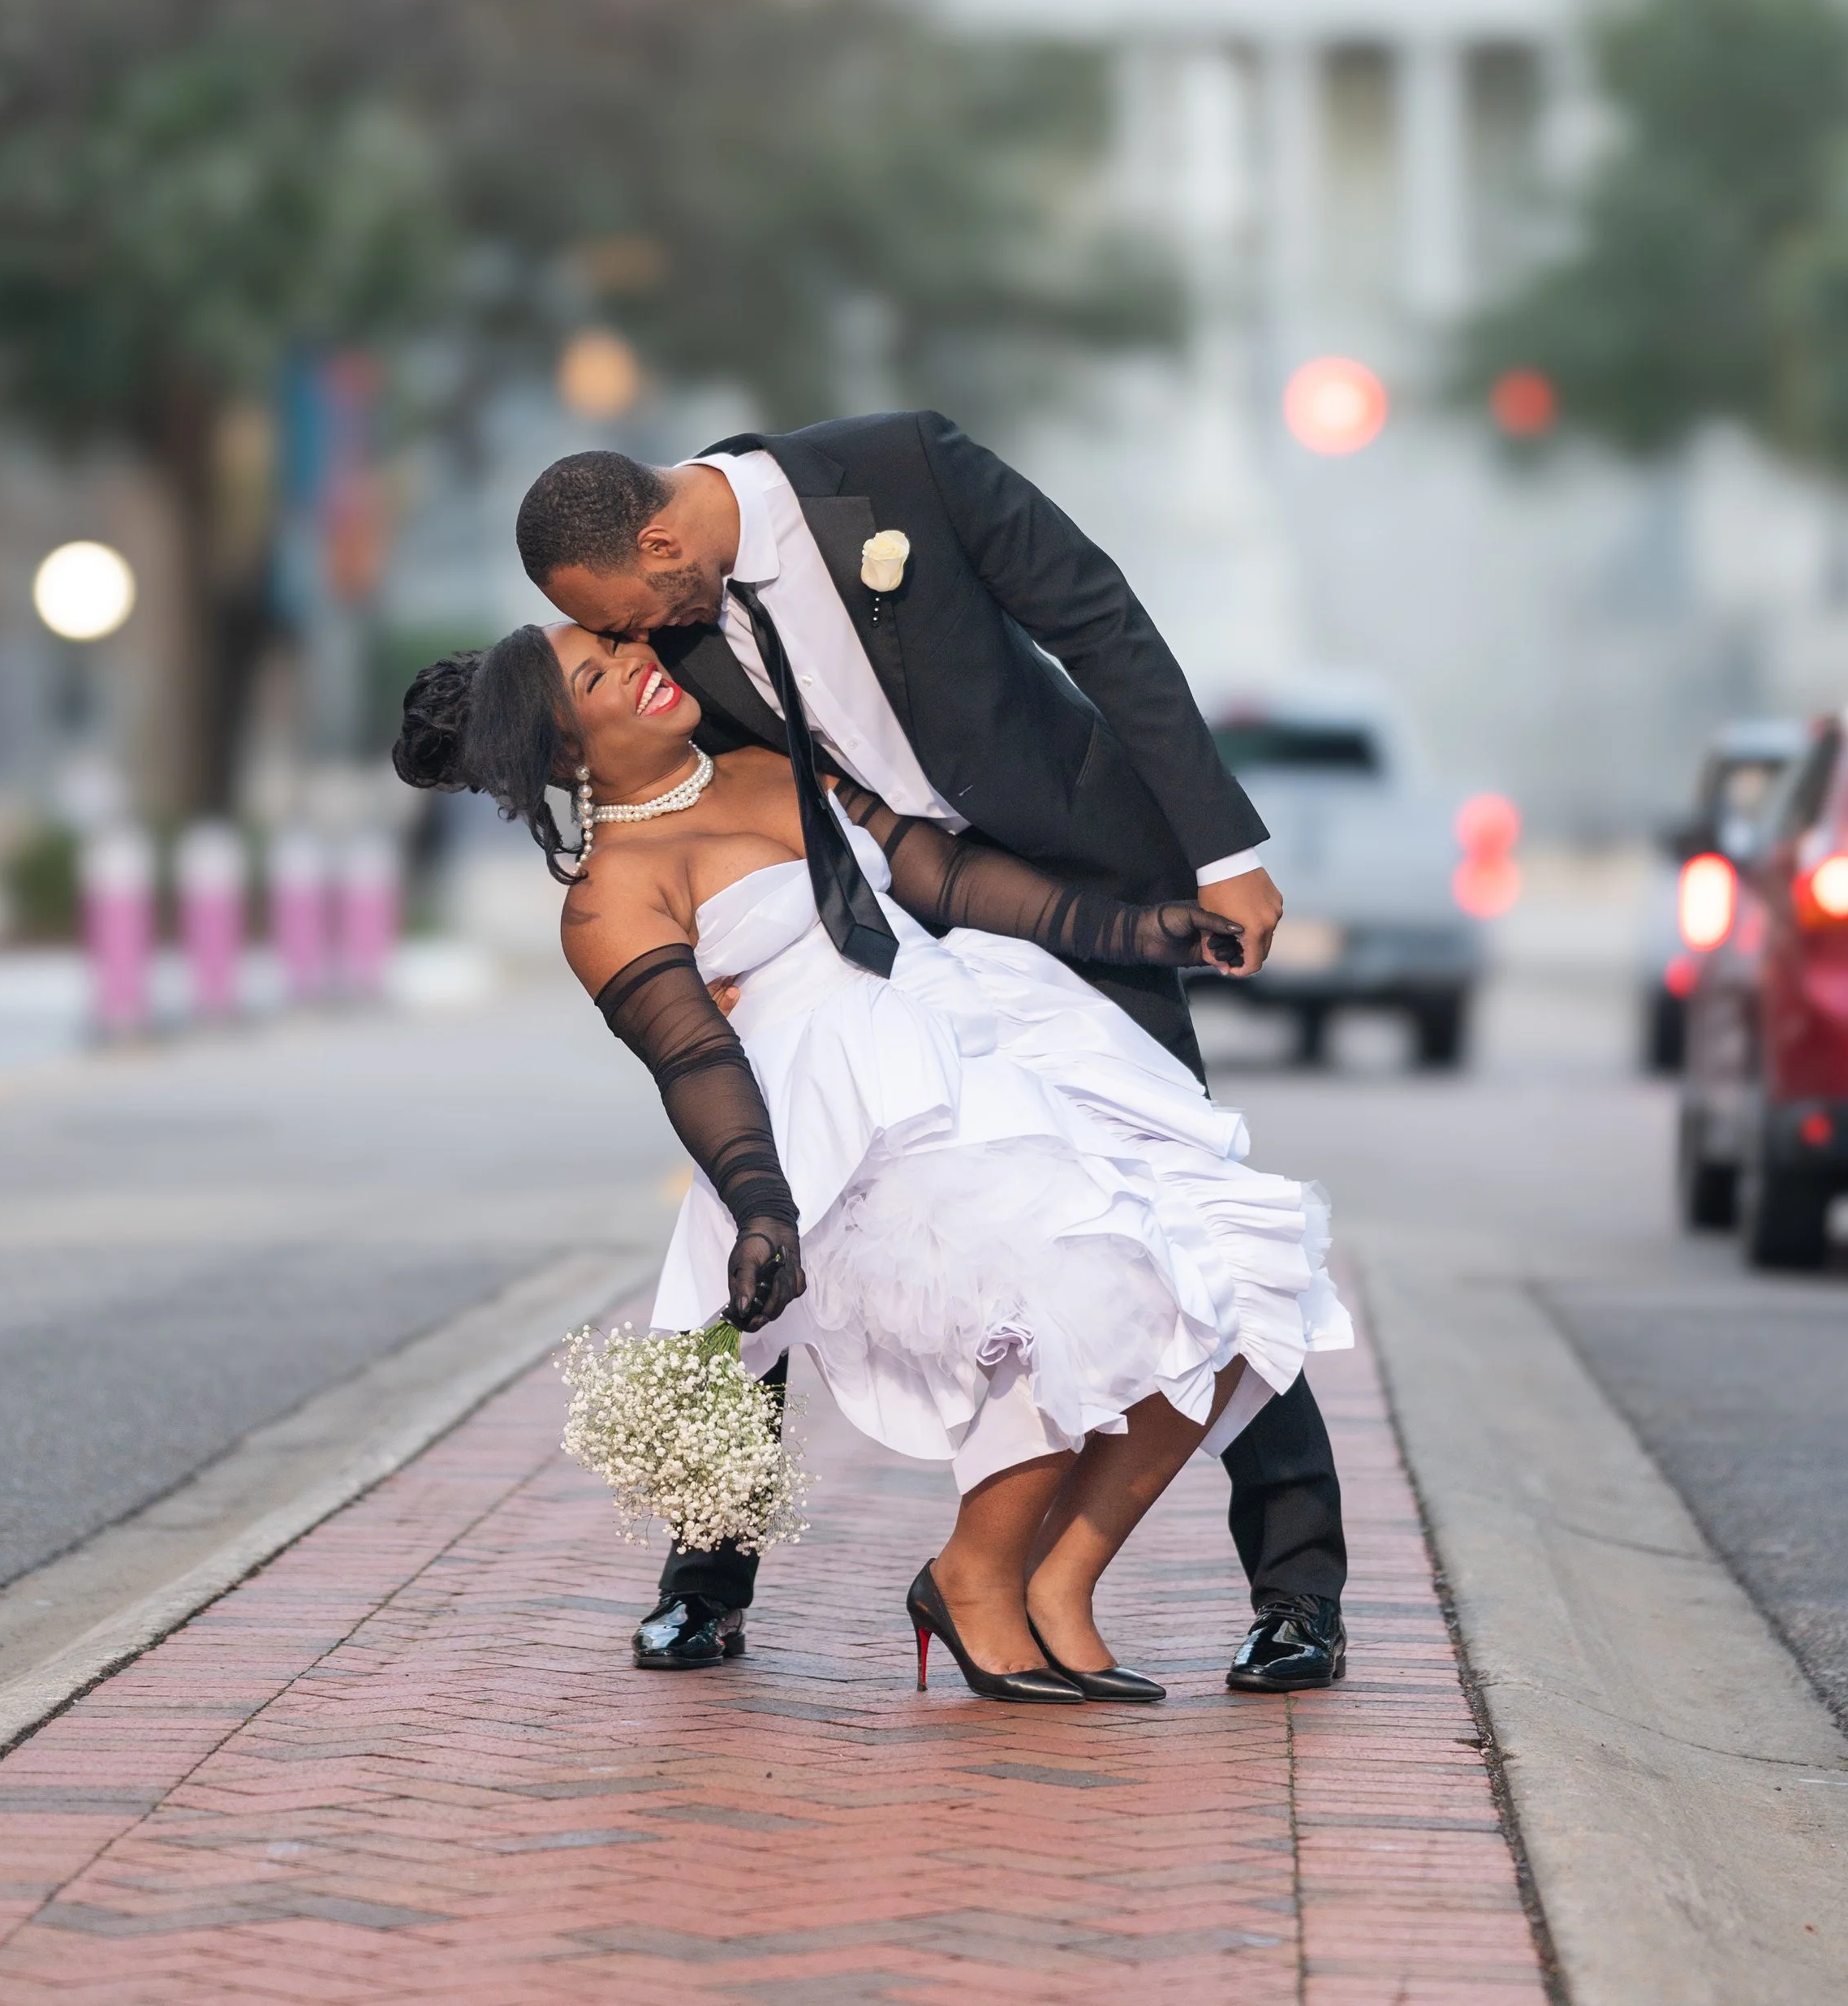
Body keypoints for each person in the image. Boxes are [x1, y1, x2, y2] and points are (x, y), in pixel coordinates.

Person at [511, 412, 1352, 1694]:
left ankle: (1294, 1594)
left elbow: (1100, 622)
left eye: (618, 615)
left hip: (1060, 885)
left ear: (664, 539)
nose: (628, 644)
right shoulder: (665, 644)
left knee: (1177, 1207)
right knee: (777, 1225)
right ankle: (708, 1577)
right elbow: (655, 803)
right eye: (605, 641)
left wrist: (1221, 857)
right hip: (866, 951)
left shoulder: (904, 468)